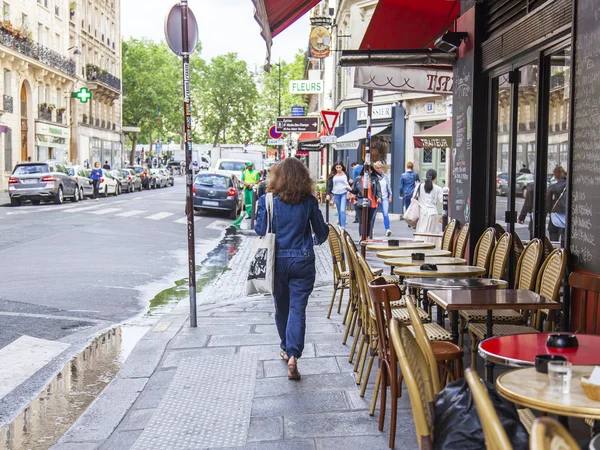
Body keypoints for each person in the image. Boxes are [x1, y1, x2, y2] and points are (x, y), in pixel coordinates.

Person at [255, 158, 329, 380]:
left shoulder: (267, 200)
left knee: (282, 308)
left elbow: (259, 229)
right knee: (298, 309)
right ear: (303, 177)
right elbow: (322, 232)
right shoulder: (309, 201)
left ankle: (286, 348)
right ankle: (293, 355)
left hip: (276, 261)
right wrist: (312, 241)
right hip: (302, 261)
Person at [351, 165, 382, 239]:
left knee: (368, 221)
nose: (368, 172)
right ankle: (361, 237)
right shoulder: (358, 179)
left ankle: (367, 237)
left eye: (370, 170)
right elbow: (354, 190)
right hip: (359, 202)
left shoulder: (375, 179)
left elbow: (378, 190)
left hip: (372, 203)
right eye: (366, 170)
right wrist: (350, 191)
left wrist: (379, 197)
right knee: (361, 221)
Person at [413, 169, 443, 244]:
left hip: (422, 214)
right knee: (432, 238)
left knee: (421, 236)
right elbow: (442, 201)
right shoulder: (438, 188)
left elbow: (414, 197)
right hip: (433, 213)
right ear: (435, 178)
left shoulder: (419, 186)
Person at [231, 162, 261, 230]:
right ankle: (249, 214)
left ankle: (253, 215)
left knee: (252, 201)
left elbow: (258, 180)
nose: (250, 167)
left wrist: (252, 185)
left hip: (252, 189)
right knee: (247, 203)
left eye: (251, 166)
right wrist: (246, 184)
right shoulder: (244, 172)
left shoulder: (255, 172)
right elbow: (242, 180)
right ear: (247, 166)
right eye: (249, 166)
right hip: (246, 188)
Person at [325, 162, 351, 229]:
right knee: (339, 210)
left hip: (344, 193)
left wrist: (350, 189)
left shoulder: (346, 174)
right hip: (336, 193)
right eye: (337, 167)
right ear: (335, 168)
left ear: (342, 167)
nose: (338, 169)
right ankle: (340, 224)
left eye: (340, 167)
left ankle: (343, 226)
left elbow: (348, 182)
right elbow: (329, 185)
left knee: (343, 210)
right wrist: (328, 194)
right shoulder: (333, 175)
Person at [371, 161, 393, 236]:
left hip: (384, 197)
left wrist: (390, 195)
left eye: (381, 168)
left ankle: (388, 229)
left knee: (385, 213)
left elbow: (388, 186)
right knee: (373, 214)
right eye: (378, 168)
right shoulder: (373, 177)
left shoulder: (385, 176)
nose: (380, 169)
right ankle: (371, 228)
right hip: (376, 198)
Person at [547, 165, 567, 244]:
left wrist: (549, 211)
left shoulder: (552, 187)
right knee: (564, 239)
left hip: (555, 214)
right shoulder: (569, 186)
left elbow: (548, 204)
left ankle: (556, 255)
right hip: (566, 215)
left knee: (553, 239)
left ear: (555, 175)